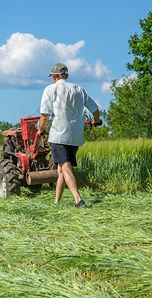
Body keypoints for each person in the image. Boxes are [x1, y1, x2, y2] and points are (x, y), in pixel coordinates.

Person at [38, 63, 101, 207]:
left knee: (65, 166)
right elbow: (95, 109)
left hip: (58, 134)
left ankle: (78, 199)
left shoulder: (50, 89)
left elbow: (45, 115)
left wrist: (40, 130)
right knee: (61, 169)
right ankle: (57, 202)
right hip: (75, 136)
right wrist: (97, 121)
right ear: (66, 75)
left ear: (54, 77)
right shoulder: (79, 90)